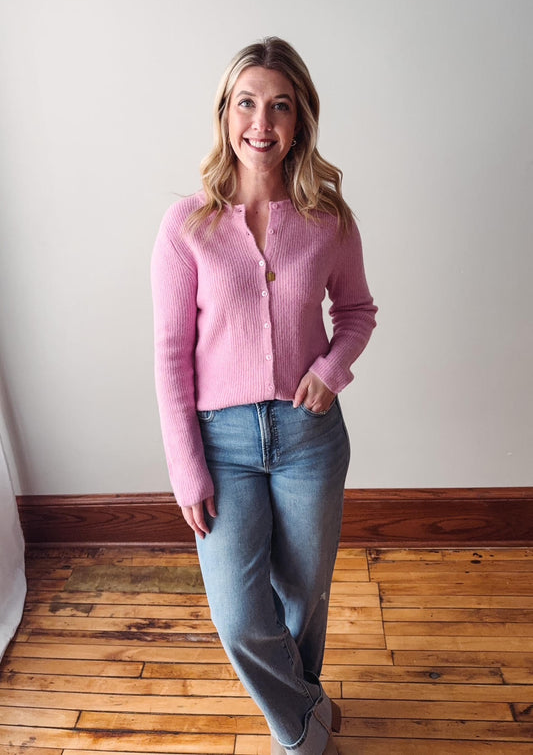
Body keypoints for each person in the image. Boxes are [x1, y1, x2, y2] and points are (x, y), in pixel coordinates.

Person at [151, 37, 377, 755]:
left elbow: (359, 313)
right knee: (240, 615)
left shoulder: (327, 219)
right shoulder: (186, 224)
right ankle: (305, 733)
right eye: (246, 102)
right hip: (223, 447)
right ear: (224, 115)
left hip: (309, 438)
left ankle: (299, 712)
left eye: (279, 106)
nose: (261, 121)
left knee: (302, 600)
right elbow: (169, 354)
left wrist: (331, 370)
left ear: (299, 121)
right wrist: (186, 469)